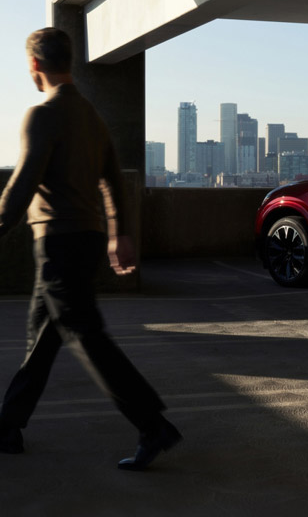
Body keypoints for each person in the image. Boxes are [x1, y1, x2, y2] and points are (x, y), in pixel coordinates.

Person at [0, 27, 181, 470]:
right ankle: (8, 427)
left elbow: (23, 184)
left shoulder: (42, 114)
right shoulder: (90, 114)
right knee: (42, 337)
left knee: (85, 335)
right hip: (86, 237)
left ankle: (151, 424)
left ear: (35, 65)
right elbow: (113, 178)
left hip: (58, 241)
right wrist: (119, 232)